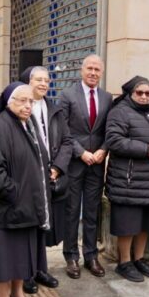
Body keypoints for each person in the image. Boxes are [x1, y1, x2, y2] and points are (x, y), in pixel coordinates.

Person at [0, 83, 52, 297]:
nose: (27, 105)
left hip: (28, 205)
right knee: (5, 258)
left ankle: (18, 294)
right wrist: (15, 193)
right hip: (9, 207)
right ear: (9, 101)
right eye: (22, 100)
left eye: (30, 101)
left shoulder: (27, 124)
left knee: (23, 255)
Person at [105, 76, 149, 282]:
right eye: (140, 93)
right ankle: (124, 263)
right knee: (127, 225)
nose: (144, 96)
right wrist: (144, 149)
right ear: (131, 94)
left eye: (148, 93)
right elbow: (114, 141)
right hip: (127, 180)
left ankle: (139, 259)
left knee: (145, 224)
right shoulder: (119, 112)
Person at [59, 55, 112, 279]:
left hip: (97, 164)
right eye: (89, 68)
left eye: (97, 69)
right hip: (74, 162)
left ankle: (91, 255)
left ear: (101, 72)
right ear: (82, 70)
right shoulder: (67, 95)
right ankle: (71, 256)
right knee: (72, 211)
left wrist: (103, 150)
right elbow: (63, 130)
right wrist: (82, 153)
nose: (93, 73)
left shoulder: (107, 97)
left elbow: (111, 129)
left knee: (92, 211)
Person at [21, 66, 73, 294]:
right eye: (38, 80)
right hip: (28, 178)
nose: (43, 84)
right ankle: (26, 273)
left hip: (51, 176)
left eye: (46, 80)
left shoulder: (55, 110)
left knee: (45, 226)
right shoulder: (20, 105)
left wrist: (57, 167)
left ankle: (41, 269)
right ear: (28, 81)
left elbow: (67, 142)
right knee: (29, 226)